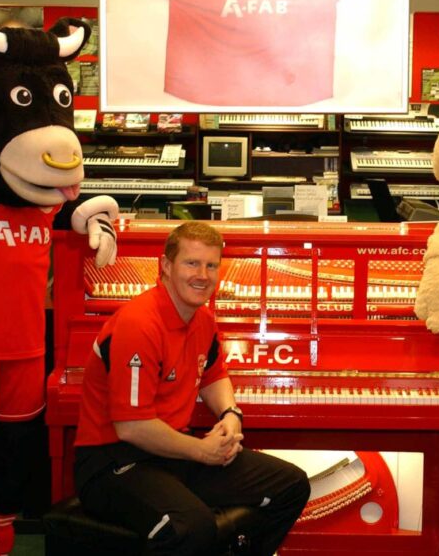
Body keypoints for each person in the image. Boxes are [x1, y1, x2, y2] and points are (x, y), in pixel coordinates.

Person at [74, 221, 310, 555]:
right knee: (193, 527)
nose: (203, 274)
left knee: (291, 485)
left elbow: (213, 374)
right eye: (192, 263)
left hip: (172, 453)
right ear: (166, 266)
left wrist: (230, 413)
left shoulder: (202, 319)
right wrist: (202, 451)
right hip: (113, 464)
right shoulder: (139, 324)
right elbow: (131, 426)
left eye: (211, 265)